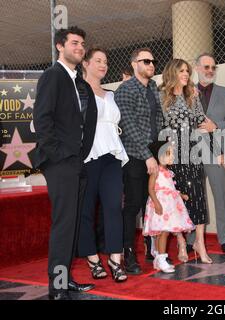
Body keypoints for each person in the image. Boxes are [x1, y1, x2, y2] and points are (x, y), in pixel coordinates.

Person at [33, 26, 96, 300]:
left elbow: (86, 121)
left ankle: (66, 279)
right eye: (74, 43)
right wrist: (59, 155)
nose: (80, 47)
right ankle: (57, 286)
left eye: (82, 43)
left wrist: (81, 154)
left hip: (77, 161)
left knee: (72, 224)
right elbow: (42, 119)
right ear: (60, 46)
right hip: (60, 162)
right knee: (63, 224)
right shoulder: (52, 76)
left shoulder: (78, 82)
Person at [160, 58, 224, 264]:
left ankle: (199, 244)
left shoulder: (192, 96)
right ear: (172, 73)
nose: (186, 74)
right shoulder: (162, 95)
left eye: (187, 71)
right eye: (181, 71)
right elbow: (158, 126)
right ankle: (180, 241)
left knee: (198, 197)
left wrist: (218, 150)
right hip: (171, 155)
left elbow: (202, 123)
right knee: (178, 199)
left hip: (192, 152)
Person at [77, 47, 129, 283]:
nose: (103, 64)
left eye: (105, 61)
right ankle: (93, 259)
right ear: (85, 64)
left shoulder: (111, 94)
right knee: (86, 211)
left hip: (112, 157)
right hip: (87, 158)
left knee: (113, 208)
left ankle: (115, 259)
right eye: (97, 60)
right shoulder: (77, 91)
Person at [114, 48, 164, 274]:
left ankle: (152, 250)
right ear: (135, 64)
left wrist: (163, 149)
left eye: (153, 61)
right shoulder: (125, 89)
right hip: (135, 155)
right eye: (146, 61)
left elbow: (159, 120)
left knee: (150, 203)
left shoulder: (153, 87)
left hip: (154, 152)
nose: (151, 64)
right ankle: (128, 253)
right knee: (133, 205)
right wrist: (147, 156)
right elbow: (129, 126)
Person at [191, 53, 225, 253]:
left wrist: (216, 126)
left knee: (220, 194)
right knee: (194, 195)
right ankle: (191, 237)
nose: (210, 70)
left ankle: (224, 237)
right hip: (190, 151)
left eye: (213, 67)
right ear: (197, 68)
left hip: (216, 152)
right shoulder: (186, 92)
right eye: (206, 67)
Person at [143, 141, 195, 272]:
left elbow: (170, 188)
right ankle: (161, 259)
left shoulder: (168, 172)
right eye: (169, 154)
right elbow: (150, 189)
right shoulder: (156, 171)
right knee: (163, 233)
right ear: (159, 156)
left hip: (170, 206)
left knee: (165, 232)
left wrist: (181, 195)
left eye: (172, 154)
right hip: (161, 206)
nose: (172, 156)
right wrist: (156, 203)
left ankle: (159, 260)